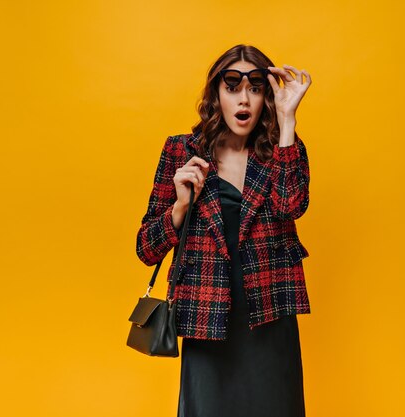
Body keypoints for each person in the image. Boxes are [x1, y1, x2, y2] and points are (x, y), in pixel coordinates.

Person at [135, 44, 312, 417]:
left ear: (267, 95)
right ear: (216, 94)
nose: (243, 99)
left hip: (269, 319)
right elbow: (146, 248)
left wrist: (287, 121)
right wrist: (180, 206)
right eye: (232, 86)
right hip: (207, 319)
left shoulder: (284, 150)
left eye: (255, 88)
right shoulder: (181, 151)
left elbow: (289, 207)